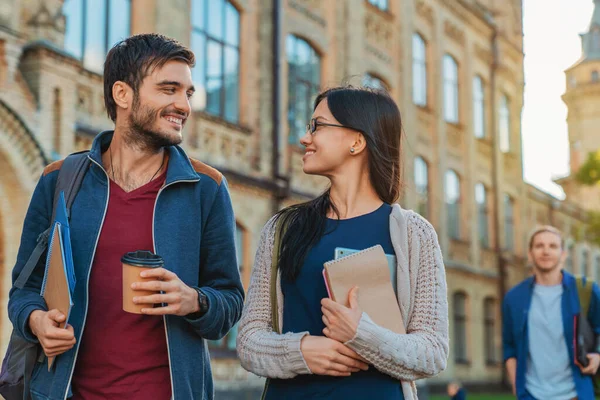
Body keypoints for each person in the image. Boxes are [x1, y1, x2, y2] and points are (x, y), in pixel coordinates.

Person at [7, 33, 244, 400]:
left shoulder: (207, 188)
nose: (183, 105)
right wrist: (37, 321)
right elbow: (23, 291)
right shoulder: (59, 181)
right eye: (169, 89)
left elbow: (229, 303)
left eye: (188, 93)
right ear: (122, 94)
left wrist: (193, 300)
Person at [236, 86, 449, 400]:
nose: (305, 138)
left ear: (357, 141)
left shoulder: (414, 234)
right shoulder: (282, 229)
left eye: (318, 126)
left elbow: (432, 352)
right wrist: (302, 350)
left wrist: (361, 334)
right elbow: (249, 341)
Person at [503, 225, 600, 399]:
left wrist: (597, 355)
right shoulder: (513, 298)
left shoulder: (586, 290)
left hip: (576, 394)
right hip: (532, 394)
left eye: (553, 246)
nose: (546, 251)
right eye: (539, 246)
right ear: (530, 253)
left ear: (563, 254)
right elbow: (510, 348)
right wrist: (517, 389)